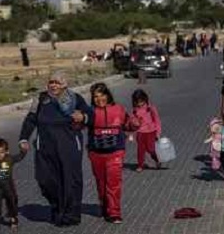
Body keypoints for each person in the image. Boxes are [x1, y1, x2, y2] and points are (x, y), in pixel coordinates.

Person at [18, 73, 93, 227]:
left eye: (57, 82)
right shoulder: (40, 99)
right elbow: (31, 119)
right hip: (45, 146)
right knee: (45, 179)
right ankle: (57, 207)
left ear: (64, 84)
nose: (53, 85)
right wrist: (23, 138)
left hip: (69, 145)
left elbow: (91, 115)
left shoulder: (75, 98)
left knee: (70, 180)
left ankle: (71, 214)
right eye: (51, 82)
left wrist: (83, 117)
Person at [73, 83, 133, 224]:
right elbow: (77, 127)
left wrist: (135, 123)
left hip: (116, 152)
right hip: (96, 153)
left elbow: (128, 123)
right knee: (101, 183)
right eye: (96, 96)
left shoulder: (118, 109)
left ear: (108, 95)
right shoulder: (90, 112)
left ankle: (114, 213)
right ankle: (105, 206)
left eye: (102, 95)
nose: (100, 99)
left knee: (113, 183)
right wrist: (75, 120)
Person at [0, 138, 26, 232]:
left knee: (11, 204)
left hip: (8, 187)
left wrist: (23, 150)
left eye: (1, 152)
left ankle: (13, 221)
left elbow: (19, 157)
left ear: (7, 151)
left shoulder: (9, 159)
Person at [130, 89, 162, 172]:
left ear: (145, 99)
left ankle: (157, 159)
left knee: (150, 149)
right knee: (140, 150)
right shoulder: (135, 110)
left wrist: (158, 132)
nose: (139, 104)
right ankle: (140, 165)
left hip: (151, 132)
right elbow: (132, 120)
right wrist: (135, 122)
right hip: (140, 133)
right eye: (137, 102)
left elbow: (157, 120)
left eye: (141, 101)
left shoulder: (150, 108)